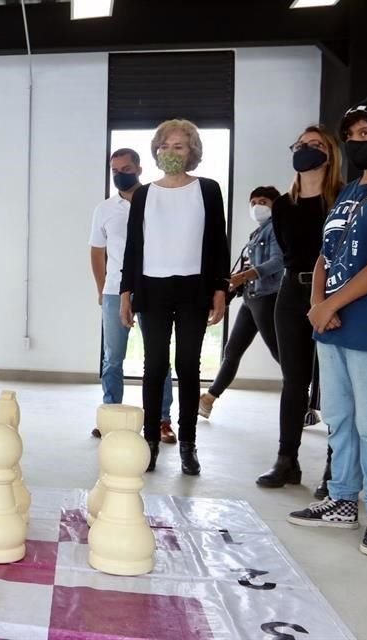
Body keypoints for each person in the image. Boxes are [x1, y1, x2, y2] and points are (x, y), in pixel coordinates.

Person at [289, 95, 367, 558]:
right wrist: (319, 302)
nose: (359, 142)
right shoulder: (347, 193)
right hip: (332, 323)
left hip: (365, 325)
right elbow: (326, 254)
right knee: (338, 417)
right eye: (353, 136)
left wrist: (333, 303)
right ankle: (342, 499)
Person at [120, 119, 230, 476]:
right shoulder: (144, 195)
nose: (170, 152)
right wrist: (126, 293)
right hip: (151, 289)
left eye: (179, 146)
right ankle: (149, 441)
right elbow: (133, 248)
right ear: (155, 151)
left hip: (193, 288)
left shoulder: (209, 190)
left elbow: (218, 244)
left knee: (187, 365)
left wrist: (221, 289)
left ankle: (188, 443)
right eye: (164, 146)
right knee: (153, 367)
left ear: (193, 152)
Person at [262, 126, 344, 488]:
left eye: (315, 145)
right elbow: (286, 251)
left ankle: (334, 468)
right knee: (293, 381)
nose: (305, 150)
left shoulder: (342, 198)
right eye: (300, 145)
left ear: (330, 154)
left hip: (334, 295)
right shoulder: (282, 205)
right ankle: (286, 460)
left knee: (332, 384)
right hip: (291, 294)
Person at [89, 148, 174, 441]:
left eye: (125, 169)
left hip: (151, 289)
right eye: (114, 170)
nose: (119, 175)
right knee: (113, 358)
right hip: (114, 290)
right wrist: (102, 290)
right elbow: (97, 252)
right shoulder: (104, 209)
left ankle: (162, 419)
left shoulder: (156, 201)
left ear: (138, 169)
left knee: (157, 357)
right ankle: (110, 414)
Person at [199, 187, 283, 418]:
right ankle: (208, 399)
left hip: (267, 298)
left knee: (281, 354)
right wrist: (237, 280)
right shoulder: (256, 234)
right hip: (251, 298)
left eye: (263, 201)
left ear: (275, 204)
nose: (257, 206)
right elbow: (246, 266)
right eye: (253, 202)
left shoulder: (276, 229)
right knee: (233, 349)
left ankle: (304, 400)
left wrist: (247, 276)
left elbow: (279, 262)